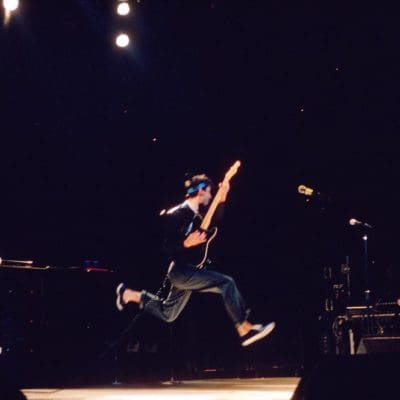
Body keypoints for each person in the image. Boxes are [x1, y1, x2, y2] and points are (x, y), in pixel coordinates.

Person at [116, 172, 275, 347]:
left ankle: (129, 294)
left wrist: (223, 197)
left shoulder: (199, 216)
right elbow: (164, 248)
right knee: (226, 283)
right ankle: (244, 327)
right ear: (200, 191)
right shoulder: (177, 214)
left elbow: (215, 219)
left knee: (168, 314)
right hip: (180, 271)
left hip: (190, 270)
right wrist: (184, 243)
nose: (210, 196)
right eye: (209, 192)